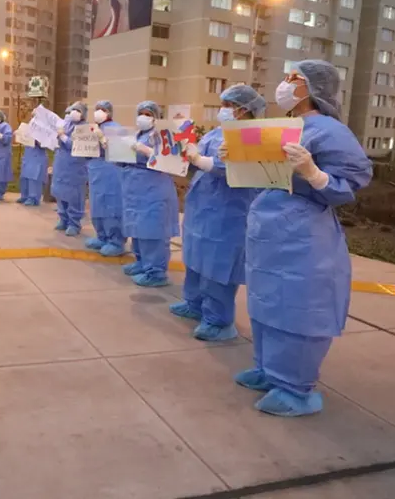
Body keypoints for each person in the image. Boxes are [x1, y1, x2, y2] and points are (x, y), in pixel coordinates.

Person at [230, 60, 373, 417]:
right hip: (270, 232)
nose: (285, 85)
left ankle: (297, 389)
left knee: (297, 308)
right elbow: (261, 174)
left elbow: (351, 181)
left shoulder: (330, 131)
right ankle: (269, 369)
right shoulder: (282, 127)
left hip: (304, 236)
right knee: (266, 304)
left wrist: (314, 173)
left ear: (312, 88)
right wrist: (235, 158)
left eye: (294, 79)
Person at [169, 86, 265, 341]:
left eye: (229, 105)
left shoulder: (252, 136)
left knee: (217, 267)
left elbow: (229, 168)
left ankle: (220, 321)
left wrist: (200, 159)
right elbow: (197, 157)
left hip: (228, 213)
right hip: (203, 208)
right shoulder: (214, 134)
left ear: (244, 110)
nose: (224, 110)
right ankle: (194, 303)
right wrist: (187, 151)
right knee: (196, 260)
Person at [120, 101, 179, 286]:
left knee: (152, 231)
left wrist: (143, 149)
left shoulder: (162, 135)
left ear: (156, 116)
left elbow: (168, 159)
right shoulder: (138, 134)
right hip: (135, 187)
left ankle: (156, 272)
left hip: (154, 187)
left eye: (148, 113)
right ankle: (141, 262)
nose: (143, 117)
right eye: (141, 113)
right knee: (137, 228)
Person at [85, 101, 126, 257]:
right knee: (97, 205)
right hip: (96, 171)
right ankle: (101, 236)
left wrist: (103, 140)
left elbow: (121, 151)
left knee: (111, 205)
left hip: (111, 172)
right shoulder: (94, 128)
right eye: (97, 109)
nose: (98, 112)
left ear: (109, 112)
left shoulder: (115, 128)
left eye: (102, 110)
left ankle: (116, 241)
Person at [52, 102, 89, 236]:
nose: (74, 112)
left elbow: (76, 145)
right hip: (61, 164)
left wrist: (63, 136)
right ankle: (63, 218)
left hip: (76, 166)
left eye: (78, 110)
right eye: (73, 109)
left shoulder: (85, 128)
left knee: (74, 195)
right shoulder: (66, 125)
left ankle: (74, 223)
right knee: (61, 193)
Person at [18, 135, 48, 207]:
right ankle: (24, 196)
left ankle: (33, 198)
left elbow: (46, 145)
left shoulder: (45, 130)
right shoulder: (30, 128)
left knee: (34, 177)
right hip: (28, 155)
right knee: (24, 177)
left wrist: (37, 140)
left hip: (37, 156)